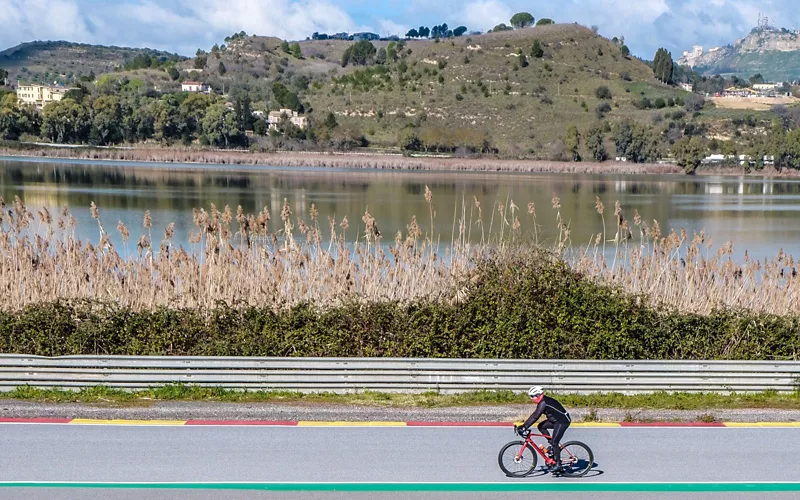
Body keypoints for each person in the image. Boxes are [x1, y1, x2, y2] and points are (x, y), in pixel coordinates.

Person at [519, 386, 571, 475]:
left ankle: (558, 464)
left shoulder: (544, 403)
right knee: (541, 426)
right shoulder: (542, 402)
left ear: (538, 395)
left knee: (555, 442)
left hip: (562, 422)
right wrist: (524, 426)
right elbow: (534, 414)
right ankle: (553, 447)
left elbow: (536, 416)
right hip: (555, 420)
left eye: (532, 396)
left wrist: (525, 427)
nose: (531, 398)